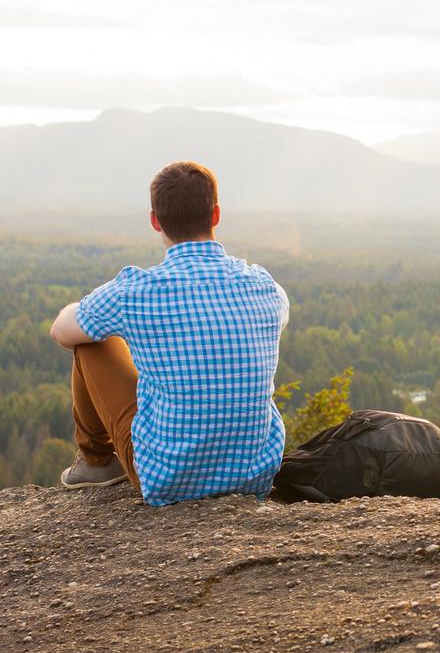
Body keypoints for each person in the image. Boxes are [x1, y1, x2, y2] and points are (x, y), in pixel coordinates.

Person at [48, 161, 288, 506]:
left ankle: (96, 462)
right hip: (254, 476)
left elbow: (62, 332)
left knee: (91, 344)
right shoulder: (264, 286)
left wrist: (87, 308)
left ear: (155, 220)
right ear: (216, 215)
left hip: (167, 479)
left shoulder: (136, 291)